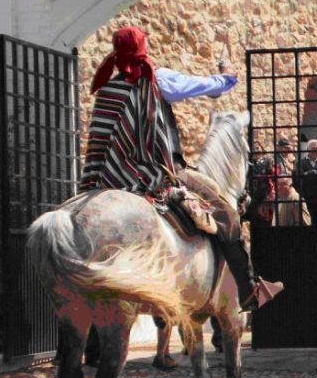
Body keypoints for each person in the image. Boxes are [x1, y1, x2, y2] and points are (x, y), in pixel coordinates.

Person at [81, 25, 278, 313]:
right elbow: (206, 85)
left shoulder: (107, 90)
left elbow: (98, 141)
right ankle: (248, 291)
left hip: (107, 176)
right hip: (159, 172)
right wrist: (226, 76)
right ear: (143, 49)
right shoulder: (158, 79)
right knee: (225, 213)